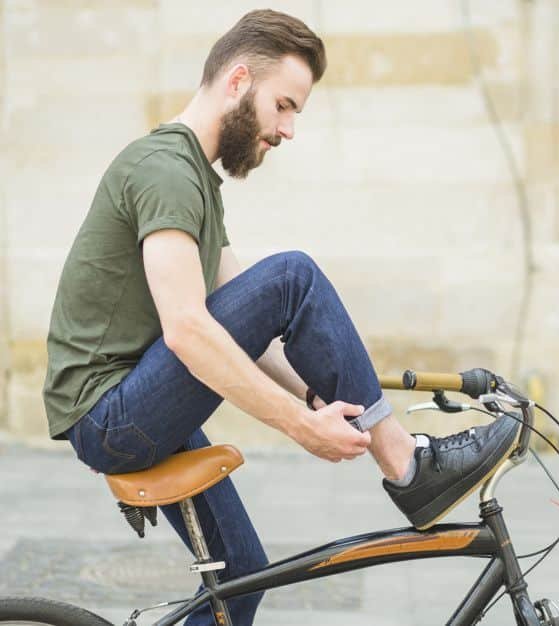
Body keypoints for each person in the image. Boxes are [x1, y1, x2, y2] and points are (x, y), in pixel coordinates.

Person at [42, 9, 519, 625]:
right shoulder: (164, 170)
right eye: (285, 105)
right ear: (238, 80)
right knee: (293, 274)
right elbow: (190, 331)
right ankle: (407, 465)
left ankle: (402, 457)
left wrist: (322, 402)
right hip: (111, 415)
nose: (289, 129)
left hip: (136, 403)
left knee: (242, 576)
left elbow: (246, 322)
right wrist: (299, 425)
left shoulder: (196, 182)